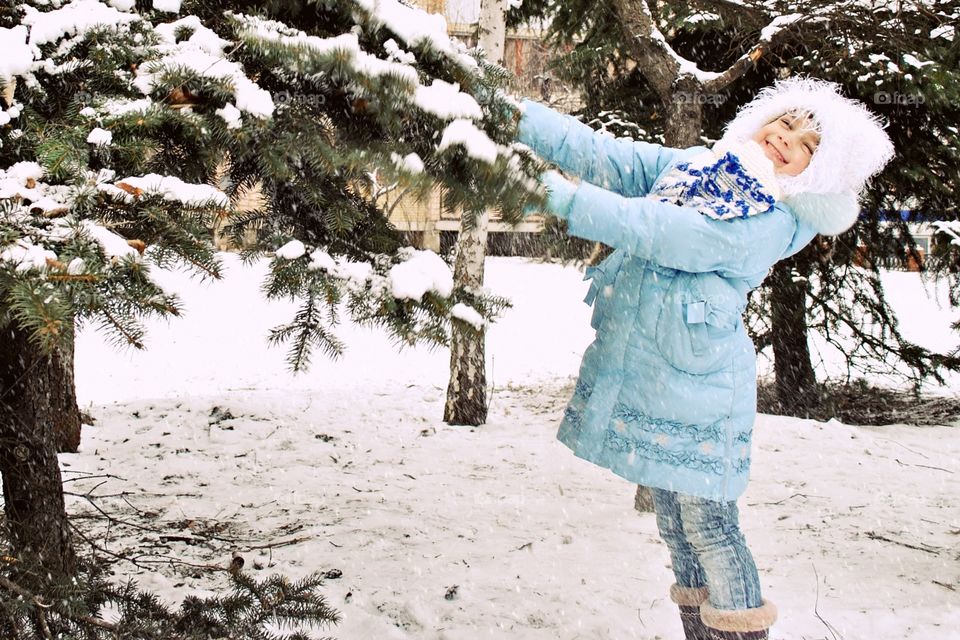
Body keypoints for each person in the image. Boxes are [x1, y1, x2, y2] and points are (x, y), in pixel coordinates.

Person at [514, 77, 894, 640]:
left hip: (703, 393)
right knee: (673, 520)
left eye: (810, 145)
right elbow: (601, 153)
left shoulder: (773, 219)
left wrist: (552, 196)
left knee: (710, 524)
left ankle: (738, 634)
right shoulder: (697, 166)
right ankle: (700, 633)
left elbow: (666, 233)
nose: (788, 139)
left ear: (821, 173)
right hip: (661, 376)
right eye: (785, 123)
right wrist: (510, 113)